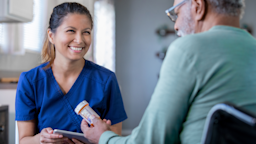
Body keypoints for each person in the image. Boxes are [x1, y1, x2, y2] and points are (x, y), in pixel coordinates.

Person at [80, 0, 256, 143]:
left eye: (176, 14)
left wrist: (103, 137)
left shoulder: (189, 49)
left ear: (198, 7)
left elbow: (150, 141)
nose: (177, 25)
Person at [15, 2, 127, 144]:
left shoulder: (106, 80)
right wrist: (41, 139)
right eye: (71, 31)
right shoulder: (30, 81)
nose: (79, 40)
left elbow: (115, 139)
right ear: (51, 35)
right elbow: (24, 140)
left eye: (86, 32)